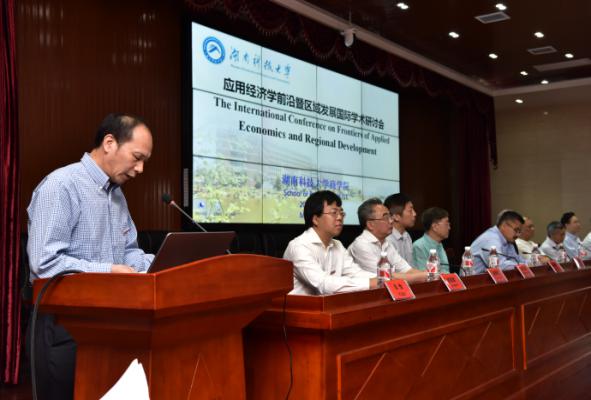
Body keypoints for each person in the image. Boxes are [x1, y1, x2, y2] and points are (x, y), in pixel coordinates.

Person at [26, 113, 155, 400]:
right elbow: (44, 262)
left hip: (108, 323)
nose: (140, 168)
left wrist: (160, 264)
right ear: (109, 143)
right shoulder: (61, 185)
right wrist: (109, 271)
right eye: (137, 157)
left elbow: (128, 252)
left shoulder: (116, 195)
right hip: (63, 327)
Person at [284, 190, 377, 295]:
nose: (340, 217)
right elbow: (323, 283)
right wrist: (371, 283)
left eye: (341, 213)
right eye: (334, 213)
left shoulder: (338, 245)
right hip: (299, 305)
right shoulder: (299, 246)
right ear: (315, 219)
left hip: (328, 303)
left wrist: (383, 279)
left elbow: (355, 273)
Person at [348, 198, 427, 283]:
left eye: (390, 216)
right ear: (370, 224)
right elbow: (384, 277)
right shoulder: (361, 245)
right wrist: (427, 275)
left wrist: (430, 275)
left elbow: (406, 269)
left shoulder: (385, 242)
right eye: (386, 217)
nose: (391, 221)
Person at [412, 207, 451, 273]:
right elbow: (424, 274)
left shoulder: (439, 244)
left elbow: (445, 270)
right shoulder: (419, 246)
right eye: (446, 224)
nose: (449, 228)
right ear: (435, 227)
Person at [384, 193, 416, 264]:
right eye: (410, 211)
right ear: (396, 217)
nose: (414, 214)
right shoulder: (387, 240)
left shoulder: (407, 236)